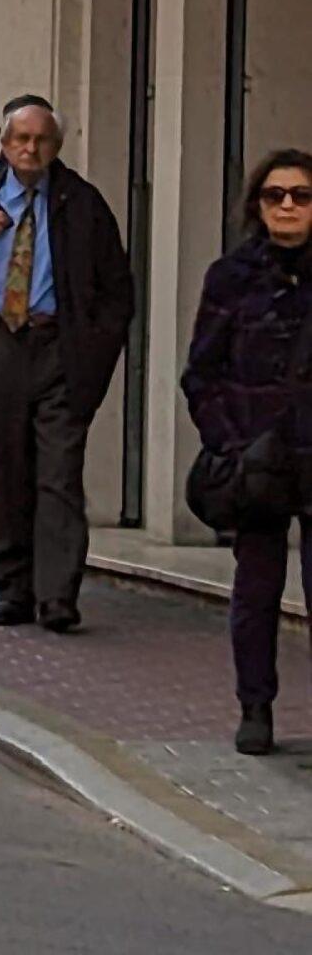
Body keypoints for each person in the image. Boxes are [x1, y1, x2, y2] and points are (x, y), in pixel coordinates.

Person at [0, 96, 133, 633]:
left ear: (56, 147)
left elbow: (116, 290)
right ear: (4, 142)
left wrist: (93, 351)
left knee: (59, 477)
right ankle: (12, 590)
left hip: (58, 350)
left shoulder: (82, 203)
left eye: (40, 139)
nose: (29, 148)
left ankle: (58, 596)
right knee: (9, 474)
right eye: (20, 138)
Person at [183, 149, 312, 757]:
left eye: (301, 196)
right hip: (257, 459)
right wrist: (230, 444)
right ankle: (255, 707)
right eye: (275, 195)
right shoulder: (230, 277)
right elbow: (201, 374)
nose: (287, 206)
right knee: (256, 590)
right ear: (257, 206)